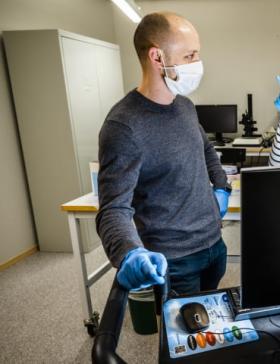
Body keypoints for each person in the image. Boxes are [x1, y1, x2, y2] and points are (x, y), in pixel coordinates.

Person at [96, 12, 232, 294]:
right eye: (190, 55)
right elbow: (113, 209)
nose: (197, 64)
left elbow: (204, 147)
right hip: (175, 258)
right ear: (157, 57)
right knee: (184, 336)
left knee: (214, 327)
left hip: (213, 245)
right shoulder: (123, 126)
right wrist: (129, 253)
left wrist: (222, 186)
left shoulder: (184, 105)